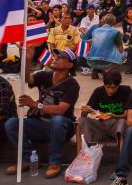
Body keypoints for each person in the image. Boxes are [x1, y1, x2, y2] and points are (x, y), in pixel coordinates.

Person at [5, 49, 80, 178]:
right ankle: (28, 159)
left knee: (58, 120)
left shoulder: (72, 85)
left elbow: (61, 109)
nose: (55, 58)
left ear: (70, 65)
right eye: (56, 55)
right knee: (12, 123)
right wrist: (28, 60)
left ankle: (55, 162)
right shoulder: (44, 75)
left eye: (61, 57)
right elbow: (26, 79)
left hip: (62, 126)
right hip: (40, 124)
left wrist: (35, 104)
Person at [78, 66, 131, 151]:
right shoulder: (98, 91)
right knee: (81, 121)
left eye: (113, 88)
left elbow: (127, 116)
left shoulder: (126, 90)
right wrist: (85, 110)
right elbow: (84, 115)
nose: (110, 91)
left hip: (117, 125)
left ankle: (122, 157)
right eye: (107, 87)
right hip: (101, 125)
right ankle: (84, 153)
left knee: (123, 122)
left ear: (118, 85)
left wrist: (114, 116)